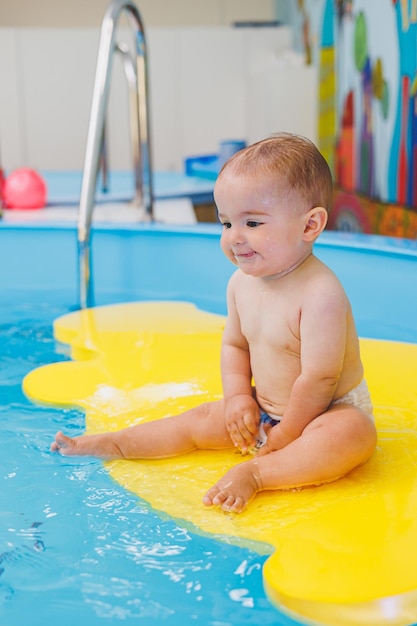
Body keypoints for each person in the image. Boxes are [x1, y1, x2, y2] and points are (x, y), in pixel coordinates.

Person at [51, 133, 377, 513]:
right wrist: (239, 399)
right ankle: (115, 443)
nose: (235, 238)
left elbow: (319, 379)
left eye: (252, 223)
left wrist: (288, 432)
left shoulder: (321, 294)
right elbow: (235, 345)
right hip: (266, 407)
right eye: (226, 224)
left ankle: (258, 474)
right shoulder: (241, 283)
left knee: (350, 436)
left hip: (328, 410)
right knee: (202, 418)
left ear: (310, 226)